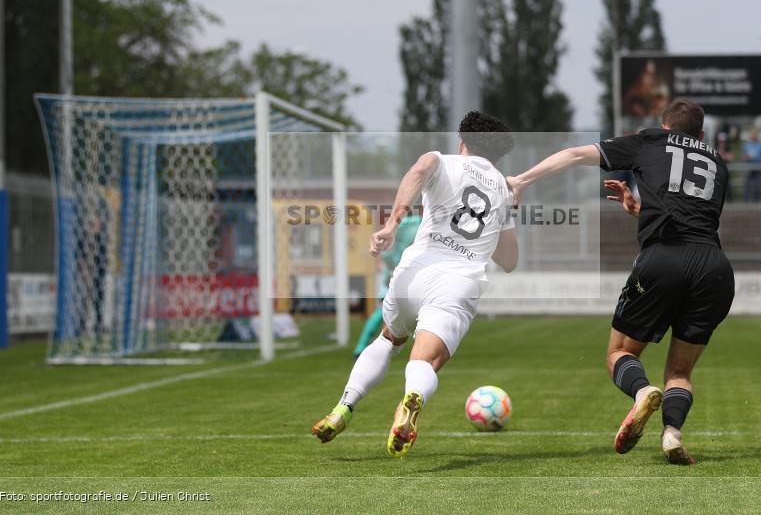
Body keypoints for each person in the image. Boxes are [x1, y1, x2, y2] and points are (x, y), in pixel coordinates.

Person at [508, 98, 734, 466]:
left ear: (664, 127)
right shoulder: (717, 162)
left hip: (664, 259)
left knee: (619, 354)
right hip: (714, 267)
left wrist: (521, 180)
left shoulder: (651, 141)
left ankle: (643, 391)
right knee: (680, 371)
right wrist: (639, 210)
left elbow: (574, 154)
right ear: (702, 134)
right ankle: (672, 434)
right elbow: (690, 214)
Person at [311, 111, 518, 457]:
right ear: (497, 154)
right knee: (425, 362)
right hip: (457, 283)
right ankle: (413, 398)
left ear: (462, 141)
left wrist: (392, 224)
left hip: (414, 271)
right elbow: (509, 261)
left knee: (389, 338)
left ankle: (344, 406)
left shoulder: (440, 160)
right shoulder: (503, 190)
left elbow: (418, 172)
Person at [352, 214, 422, 358]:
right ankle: (364, 347)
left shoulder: (397, 225)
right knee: (386, 314)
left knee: (381, 314)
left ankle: (362, 346)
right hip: (401, 275)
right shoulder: (416, 224)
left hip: (393, 275)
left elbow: (385, 253)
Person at [741, 130, 761, 202]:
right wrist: (747, 157)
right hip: (749, 169)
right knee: (747, 187)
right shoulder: (746, 146)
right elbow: (743, 158)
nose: (754, 137)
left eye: (755, 135)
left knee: (757, 187)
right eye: (752, 135)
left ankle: (757, 204)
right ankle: (746, 204)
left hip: (758, 169)